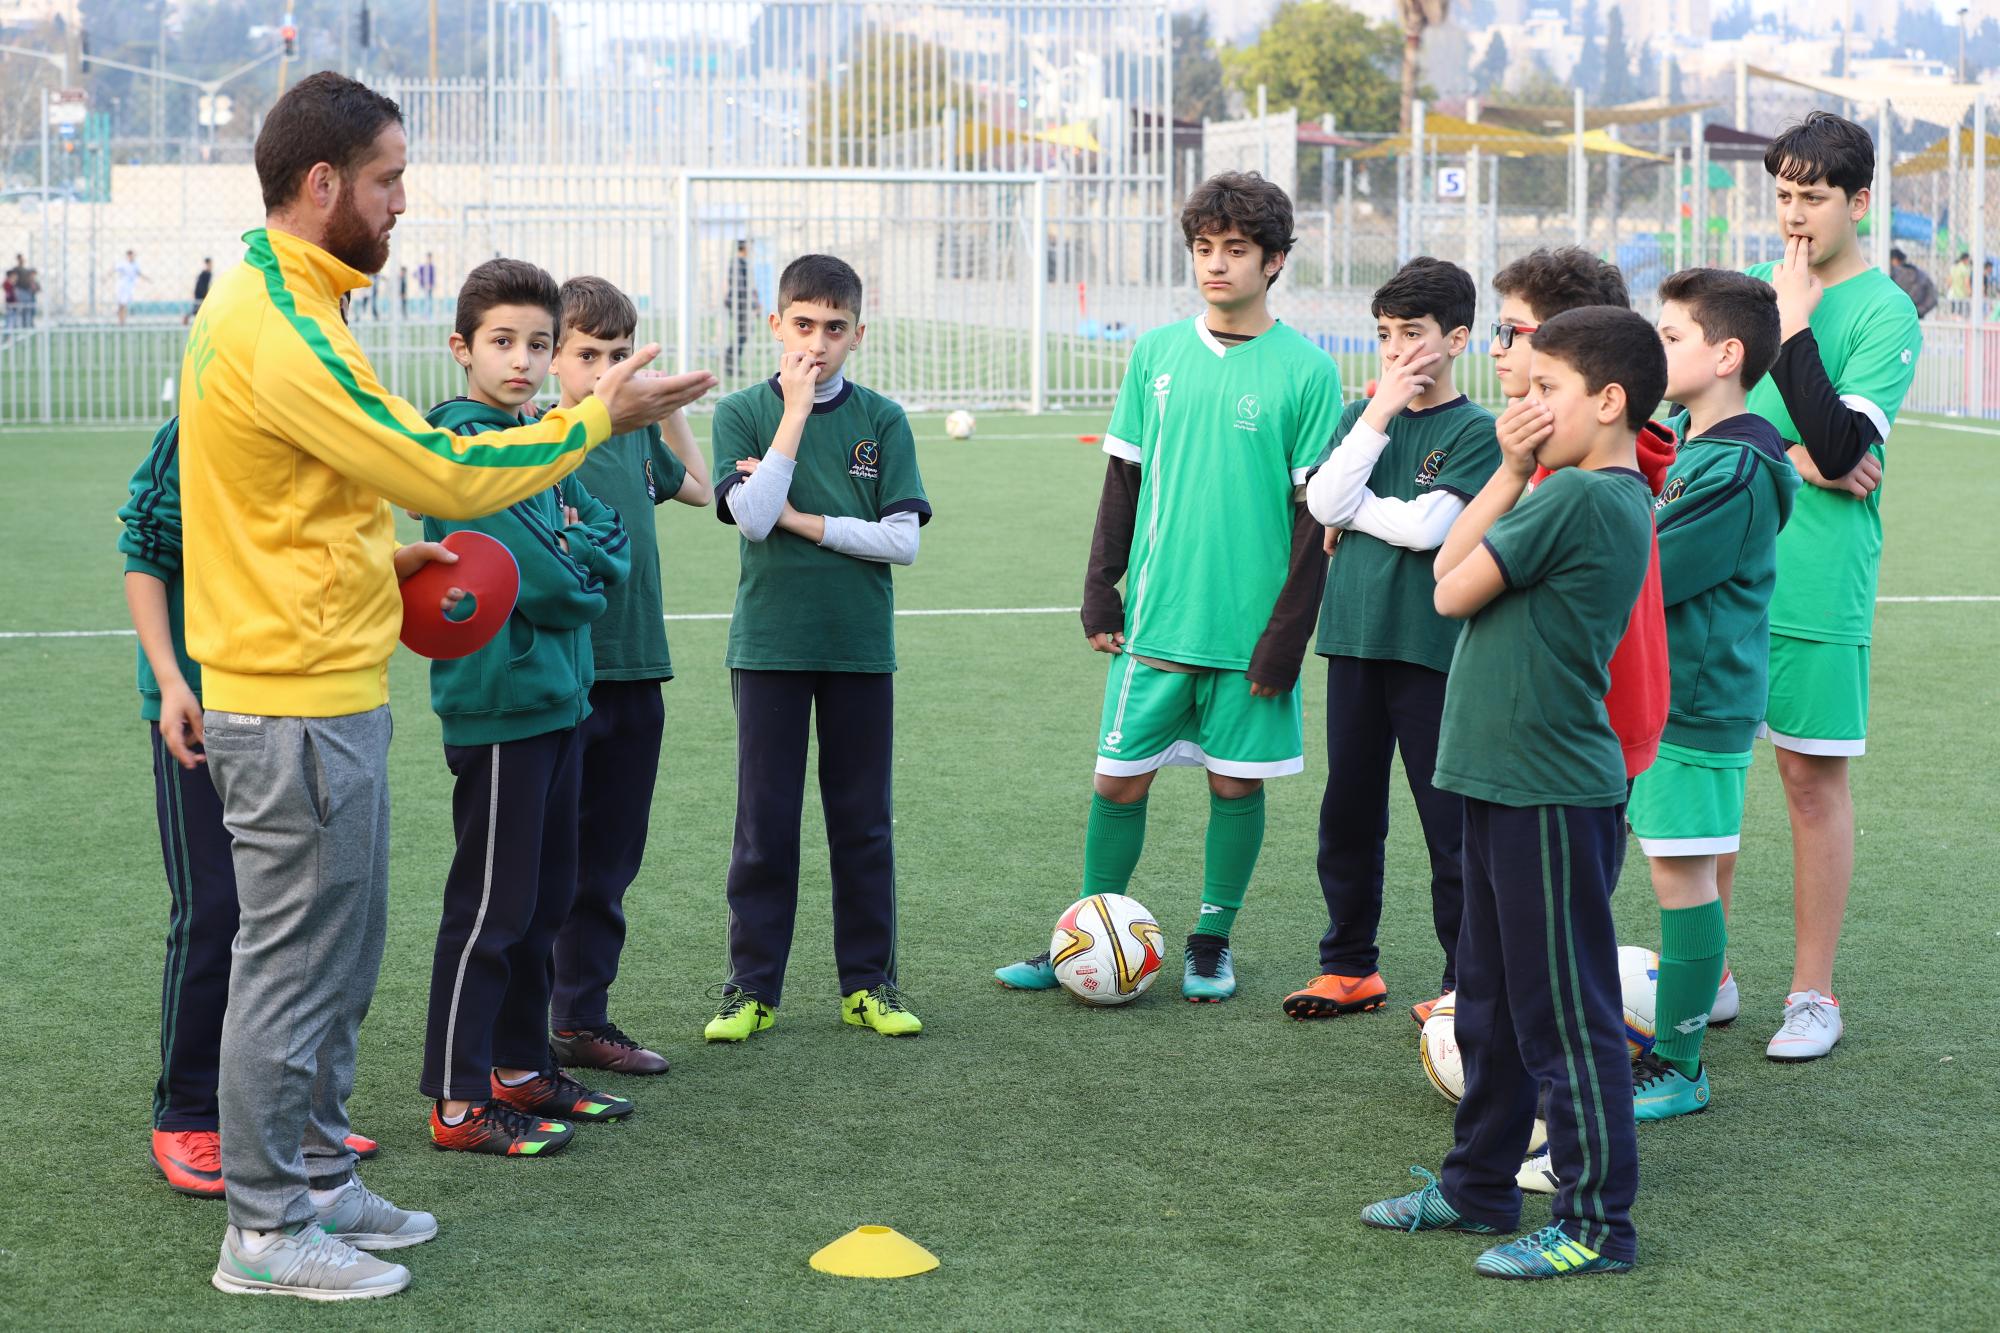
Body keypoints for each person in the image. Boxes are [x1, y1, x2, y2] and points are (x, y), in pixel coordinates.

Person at [177, 71, 711, 1301]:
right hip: (290, 699)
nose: (402, 200)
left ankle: (311, 1174)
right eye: (388, 177)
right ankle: (264, 1230)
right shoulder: (278, 320)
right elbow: (434, 463)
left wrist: (384, 555)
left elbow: (306, 492)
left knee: (338, 955)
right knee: (294, 963)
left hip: (324, 682)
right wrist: (598, 415)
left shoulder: (292, 300)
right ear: (325, 185)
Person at [1360, 305, 1664, 1281]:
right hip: (1499, 777)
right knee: (1484, 1000)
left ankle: (1593, 1223)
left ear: (1607, 402)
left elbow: (1447, 583)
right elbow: (1452, 570)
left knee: (1560, 1014)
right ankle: (1476, 1184)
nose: (1521, 407)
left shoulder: (1580, 497)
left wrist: (1510, 472)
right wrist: (1508, 468)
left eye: (1544, 391)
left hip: (1542, 785)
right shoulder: (1558, 485)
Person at [994, 171, 1343, 1003]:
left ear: (1275, 261)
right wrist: (1099, 589)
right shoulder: (1154, 353)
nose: (1215, 265)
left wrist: (1285, 637)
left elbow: (1313, 519)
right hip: (1157, 619)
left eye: (1235, 250)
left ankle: (1211, 940)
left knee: (1234, 783)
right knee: (1117, 780)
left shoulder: (1308, 371)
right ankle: (1085, 928)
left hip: (1249, 628)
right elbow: (1123, 479)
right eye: (1204, 249)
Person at [118, 417, 383, 1199]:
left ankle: (285, 1117)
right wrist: (170, 681)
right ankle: (185, 1113)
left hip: (289, 705)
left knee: (303, 916)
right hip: (201, 705)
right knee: (217, 909)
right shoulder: (195, 427)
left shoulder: (317, 411)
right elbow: (144, 551)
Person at [419, 259, 637, 1156]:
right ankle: (457, 1099)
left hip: (561, 698)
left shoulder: (541, 440)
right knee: (490, 908)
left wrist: (578, 561)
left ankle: (517, 1067)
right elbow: (542, 579)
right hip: (502, 704)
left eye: (539, 344)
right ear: (462, 347)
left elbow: (609, 537)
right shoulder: (461, 448)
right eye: (502, 342)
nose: (523, 360)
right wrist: (575, 566)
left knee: (545, 900)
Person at [705, 252, 932, 1041]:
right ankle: (751, 988)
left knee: (862, 822)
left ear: (857, 333)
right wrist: (794, 415)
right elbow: (754, 516)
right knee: (764, 824)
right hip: (769, 643)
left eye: (835, 329)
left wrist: (809, 520)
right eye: (803, 325)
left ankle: (869, 983)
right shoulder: (741, 412)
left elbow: (900, 541)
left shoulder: (883, 419)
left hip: (859, 647)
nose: (818, 343)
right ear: (775, 325)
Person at [1733, 111, 1921, 1061]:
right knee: (1709, 769)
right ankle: (1703, 972)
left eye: (1814, 197)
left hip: (1818, 581)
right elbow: (1707, 429)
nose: (1795, 216)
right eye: (1784, 195)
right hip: (1721, 576)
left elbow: (1850, 447)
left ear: (1858, 200)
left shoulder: (1882, 311)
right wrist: (1805, 458)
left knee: (1808, 779)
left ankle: (1813, 993)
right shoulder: (1745, 295)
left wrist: (1798, 321)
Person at [1288, 257, 1497, 1024]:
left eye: (1414, 334)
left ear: (1458, 339)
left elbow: (1425, 529)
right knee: (1348, 811)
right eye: (1385, 335)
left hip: (1431, 652)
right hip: (1353, 640)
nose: (1398, 350)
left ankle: (1462, 983)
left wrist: (1357, 509)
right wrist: (1376, 417)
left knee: (1449, 826)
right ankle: (1348, 965)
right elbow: (1321, 500)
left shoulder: (1477, 430)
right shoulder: (1359, 416)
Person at [1627, 269, 1799, 1121]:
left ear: (1726, 354)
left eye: (1671, 336)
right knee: (1674, 868)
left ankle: (1679, 1063)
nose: (1657, 349)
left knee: (1682, 875)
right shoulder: (1703, 447)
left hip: (1693, 700)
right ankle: (1669, 1044)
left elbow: (1651, 572)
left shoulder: (1732, 466)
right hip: (1678, 697)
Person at [545, 274, 713, 1075]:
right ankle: (518, 1030)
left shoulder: (636, 437)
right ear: (554, 359)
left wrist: (666, 407)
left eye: (619, 353)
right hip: (569, 675)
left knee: (611, 858)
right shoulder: (544, 436)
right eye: (589, 354)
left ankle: (582, 1016)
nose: (607, 368)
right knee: (550, 860)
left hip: (639, 669)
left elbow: (702, 488)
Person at [723, 238, 756, 376]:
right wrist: (750, 304)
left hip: (741, 303)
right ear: (744, 247)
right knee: (741, 335)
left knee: (742, 334)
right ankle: (730, 364)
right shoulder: (737, 262)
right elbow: (740, 287)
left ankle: (731, 364)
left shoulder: (741, 262)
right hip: (739, 304)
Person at [1887, 248, 1937, 318]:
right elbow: (1933, 297)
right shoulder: (1921, 274)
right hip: (1916, 318)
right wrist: (1918, 311)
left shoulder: (1891, 274)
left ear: (1894, 260)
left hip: (1895, 316)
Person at [114, 248, 147, 324]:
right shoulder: (123, 264)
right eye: (129, 256)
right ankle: (121, 319)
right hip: (122, 286)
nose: (131, 257)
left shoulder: (135, 264)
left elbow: (138, 273)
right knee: (121, 303)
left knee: (124, 303)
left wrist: (147, 279)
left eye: (132, 256)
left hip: (129, 287)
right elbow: (114, 269)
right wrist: (105, 277)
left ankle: (122, 320)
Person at [185, 258, 213, 325]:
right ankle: (187, 317)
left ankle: (188, 318)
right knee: (197, 309)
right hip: (201, 294)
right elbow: (203, 285)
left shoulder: (204, 273)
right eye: (210, 264)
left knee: (198, 310)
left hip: (200, 294)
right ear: (208, 264)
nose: (211, 265)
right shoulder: (206, 273)